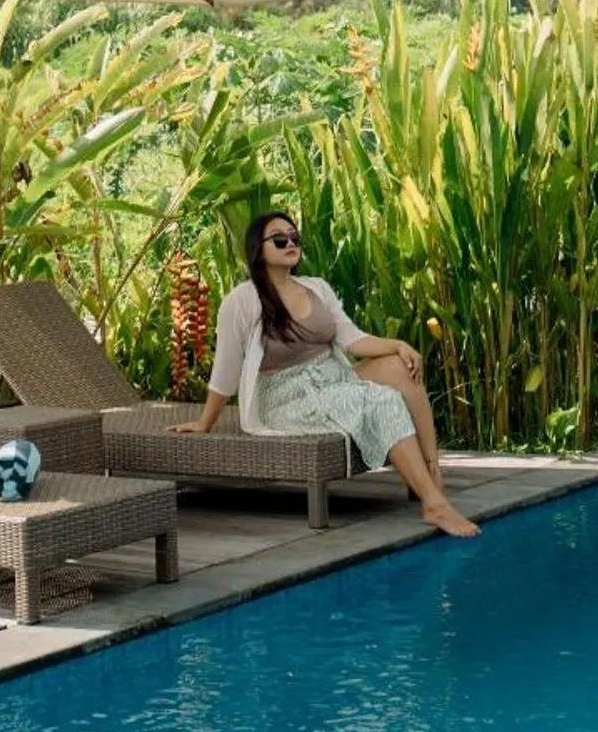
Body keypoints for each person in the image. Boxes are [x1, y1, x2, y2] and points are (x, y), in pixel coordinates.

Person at [169, 210, 479, 538]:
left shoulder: (316, 288)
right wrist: (205, 422)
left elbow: (351, 338)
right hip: (287, 397)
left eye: (294, 238)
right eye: (279, 239)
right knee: (381, 401)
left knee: (402, 367)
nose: (290, 243)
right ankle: (434, 504)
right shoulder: (242, 301)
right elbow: (227, 368)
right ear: (258, 250)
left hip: (332, 378)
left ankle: (433, 473)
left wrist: (398, 345)